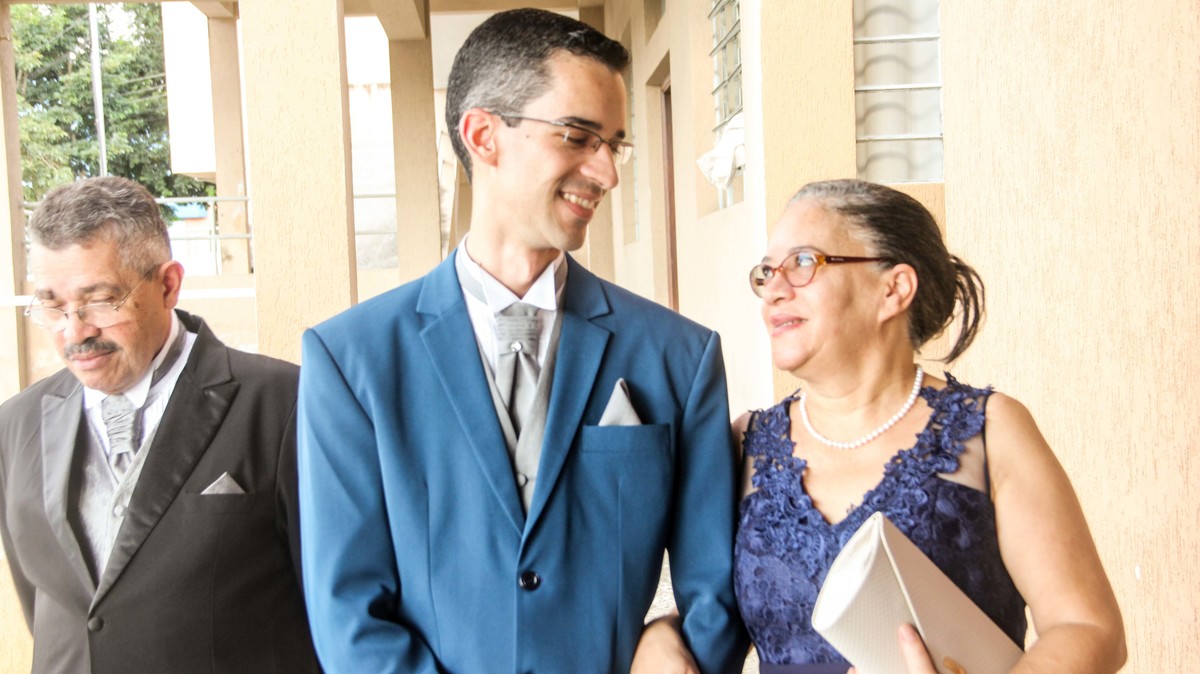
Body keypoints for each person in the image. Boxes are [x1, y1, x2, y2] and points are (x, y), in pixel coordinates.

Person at [296, 8, 747, 673]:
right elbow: (348, 613)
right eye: (578, 136)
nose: (607, 173)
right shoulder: (350, 360)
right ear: (483, 135)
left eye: (614, 144)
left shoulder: (680, 356)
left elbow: (718, 594)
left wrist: (670, 634)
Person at [729, 179, 1126, 673]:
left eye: (803, 262)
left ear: (893, 289)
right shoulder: (744, 444)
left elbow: (1088, 627)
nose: (774, 290)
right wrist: (662, 634)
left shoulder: (990, 430)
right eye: (766, 272)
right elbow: (703, 609)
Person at [0, 176, 320, 673]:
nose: (74, 331)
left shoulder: (287, 403)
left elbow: (335, 601)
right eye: (53, 306)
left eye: (100, 301)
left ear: (168, 285)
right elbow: (46, 603)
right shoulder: (15, 425)